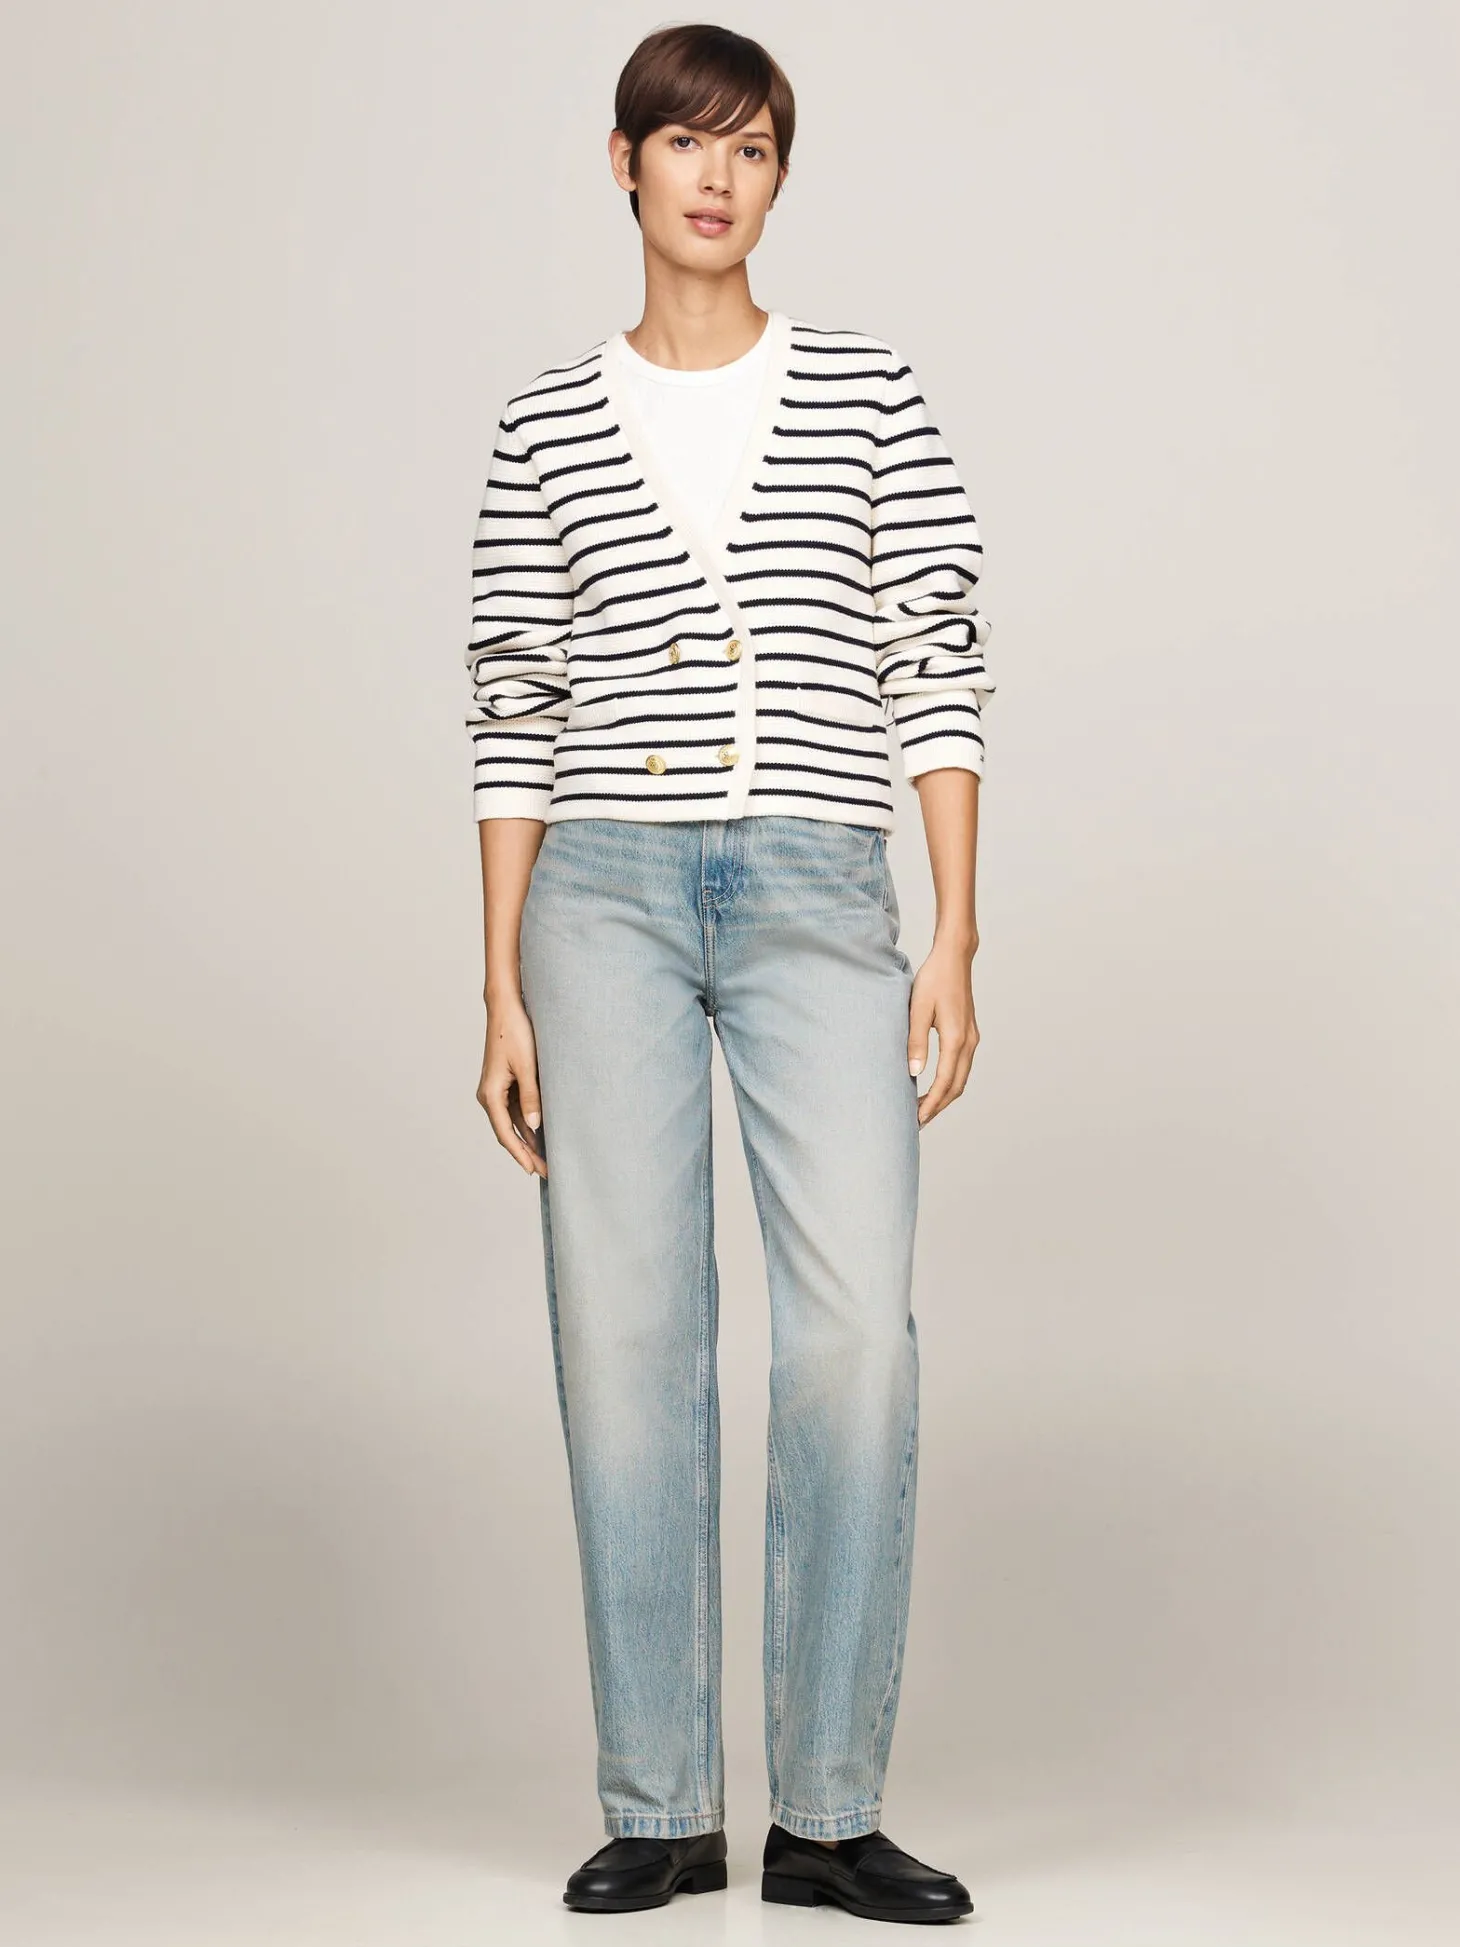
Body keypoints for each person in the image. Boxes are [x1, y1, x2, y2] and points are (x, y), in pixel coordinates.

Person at [466, 22, 993, 1926]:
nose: (718, 176)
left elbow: (936, 651)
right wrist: (501, 984)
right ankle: (664, 1801)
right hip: (598, 895)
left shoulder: (868, 393)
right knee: (625, 1336)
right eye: (686, 142)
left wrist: (955, 928)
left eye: (753, 148)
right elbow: (514, 696)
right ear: (622, 163)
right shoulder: (543, 420)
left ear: (778, 180)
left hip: (814, 887)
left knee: (853, 1334)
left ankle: (829, 1812)